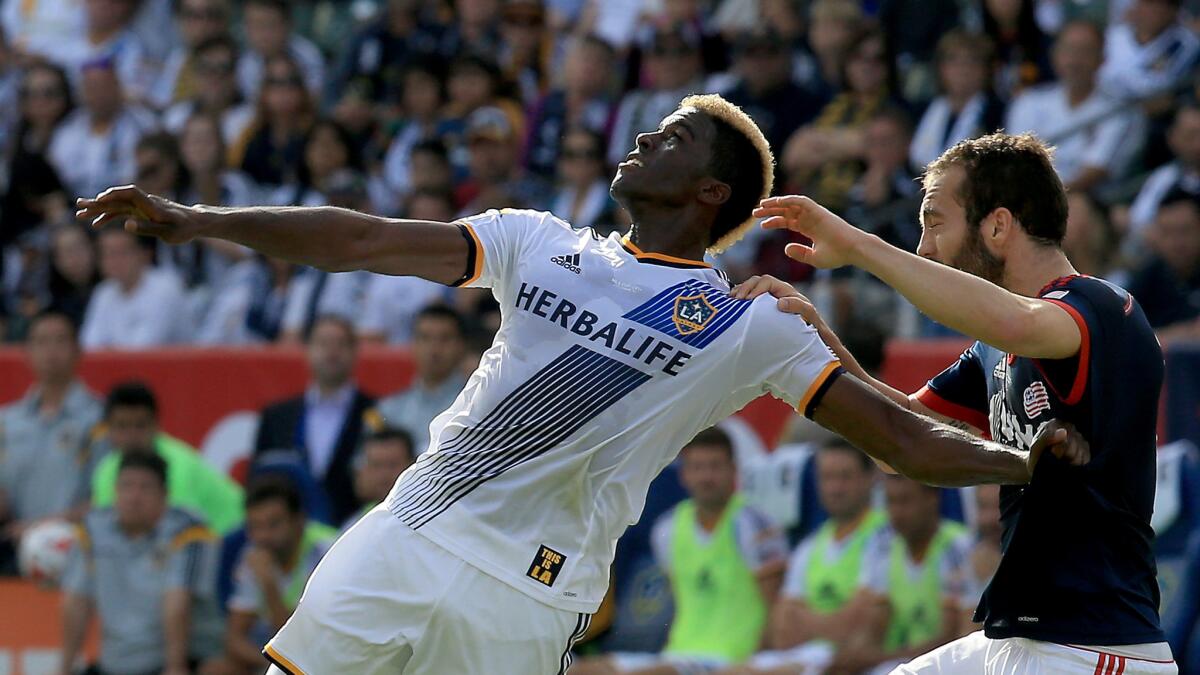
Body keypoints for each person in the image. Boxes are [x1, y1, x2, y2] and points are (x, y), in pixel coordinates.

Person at [76, 93, 1085, 674]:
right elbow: (359, 237)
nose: (645, 140)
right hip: (408, 532)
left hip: (529, 597)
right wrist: (199, 219)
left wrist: (1022, 465)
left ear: (710, 193)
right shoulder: (532, 241)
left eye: (674, 137)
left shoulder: (750, 326)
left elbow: (899, 439)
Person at [738, 130, 1173, 671]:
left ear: (997, 225)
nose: (923, 248)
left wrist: (858, 247)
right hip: (1017, 639)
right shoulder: (993, 347)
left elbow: (1017, 320)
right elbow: (897, 437)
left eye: (933, 222)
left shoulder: (1103, 307)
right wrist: (814, 335)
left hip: (1092, 647)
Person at [573, 427, 788, 674]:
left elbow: (775, 607)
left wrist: (754, 662)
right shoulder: (667, 528)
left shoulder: (753, 523)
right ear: (684, 474)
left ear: (733, 471)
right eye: (697, 468)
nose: (706, 477)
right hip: (679, 654)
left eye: (715, 466)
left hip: (732, 659)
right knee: (580, 670)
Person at [726, 439, 886, 674]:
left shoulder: (885, 537)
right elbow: (782, 632)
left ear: (870, 478)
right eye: (827, 478)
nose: (835, 488)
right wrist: (828, 623)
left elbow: (854, 627)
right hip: (809, 656)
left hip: (853, 662)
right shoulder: (810, 545)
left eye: (845, 477)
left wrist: (804, 618)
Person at [60, 451, 224, 675]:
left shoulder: (188, 532)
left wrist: (175, 666)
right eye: (127, 486)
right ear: (115, 491)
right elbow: (76, 601)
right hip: (114, 664)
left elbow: (177, 604)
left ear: (165, 495)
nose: (134, 497)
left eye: (145, 488)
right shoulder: (92, 530)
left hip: (184, 658)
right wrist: (65, 668)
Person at [827, 475, 977, 674]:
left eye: (905, 501)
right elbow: (875, 624)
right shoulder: (883, 546)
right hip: (899, 660)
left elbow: (950, 638)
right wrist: (853, 657)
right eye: (891, 502)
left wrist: (878, 659)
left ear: (932, 499)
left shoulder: (957, 547)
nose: (896, 513)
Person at [0, 311, 102, 572]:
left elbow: (107, 498)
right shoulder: (7, 420)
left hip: (80, 555)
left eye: (60, 341)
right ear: (27, 352)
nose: (51, 351)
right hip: (13, 555)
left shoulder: (100, 418)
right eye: (41, 342)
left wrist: (42, 527)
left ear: (78, 350)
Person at [252, 315, 377, 524]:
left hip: (353, 530)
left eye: (341, 344)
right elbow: (259, 480)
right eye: (323, 343)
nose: (332, 351)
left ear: (355, 352)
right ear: (307, 349)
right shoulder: (277, 416)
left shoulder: (374, 412)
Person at [1005, 20, 1144, 193]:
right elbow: (1015, 160)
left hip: (1085, 201)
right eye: (1068, 50)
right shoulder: (1028, 101)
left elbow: (1094, 173)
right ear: (1054, 55)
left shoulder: (1116, 110)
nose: (1074, 60)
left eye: (1085, 51)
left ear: (1102, 58)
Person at [89, 382, 245, 535]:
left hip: (234, 534)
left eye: (140, 425)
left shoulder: (177, 467)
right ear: (108, 429)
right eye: (122, 426)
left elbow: (176, 531)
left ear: (156, 425)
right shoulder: (106, 471)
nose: (131, 435)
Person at [219, 477, 336, 674]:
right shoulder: (255, 554)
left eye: (273, 524)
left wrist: (268, 584)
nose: (263, 535)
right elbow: (234, 639)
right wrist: (271, 666)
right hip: (280, 659)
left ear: (299, 521)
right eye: (255, 526)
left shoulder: (328, 552)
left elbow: (301, 642)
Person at [375, 305, 469, 455]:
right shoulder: (388, 409)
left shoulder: (474, 405)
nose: (434, 349)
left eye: (445, 339)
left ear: (461, 345)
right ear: (413, 345)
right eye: (425, 338)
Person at [79, 227, 189, 349]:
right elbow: (89, 345)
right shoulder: (103, 292)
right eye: (108, 253)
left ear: (143, 253)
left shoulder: (166, 287)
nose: (114, 260)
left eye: (122, 252)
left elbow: (144, 347)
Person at [1125, 191, 1200, 344]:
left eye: (1185, 231)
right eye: (1167, 233)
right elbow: (1123, 333)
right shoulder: (1148, 275)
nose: (1177, 243)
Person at [343, 427, 416, 530]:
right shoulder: (356, 523)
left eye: (392, 465)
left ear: (412, 465)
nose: (384, 474)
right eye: (376, 465)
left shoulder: (429, 518)